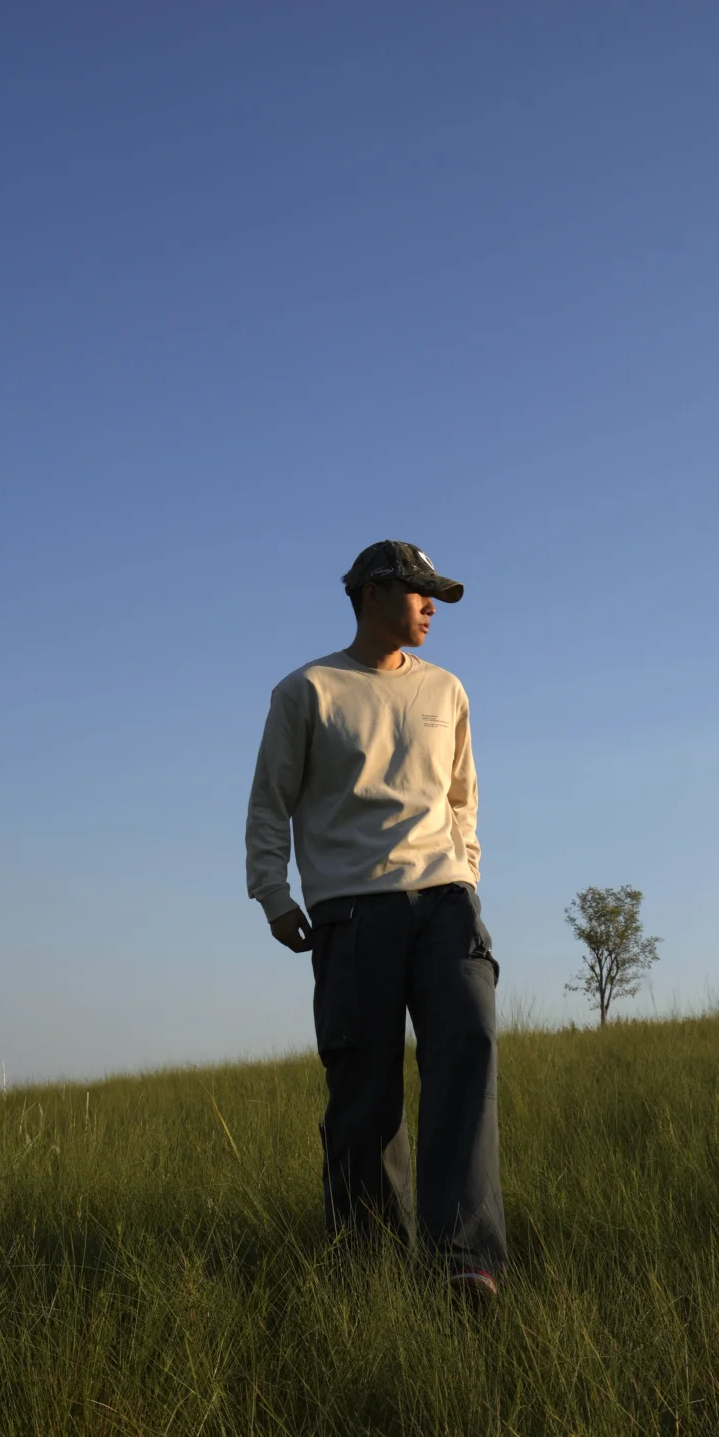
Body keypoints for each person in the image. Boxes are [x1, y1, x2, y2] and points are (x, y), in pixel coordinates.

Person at [245, 540, 506, 1301]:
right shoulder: (308, 691)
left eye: (436, 595)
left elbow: (463, 799)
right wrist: (273, 892)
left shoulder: (447, 691)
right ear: (372, 591)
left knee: (469, 1043)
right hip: (351, 910)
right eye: (420, 591)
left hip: (446, 901)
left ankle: (464, 1258)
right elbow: (270, 800)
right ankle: (367, 1268)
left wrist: (467, 875)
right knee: (366, 1089)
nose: (430, 606)